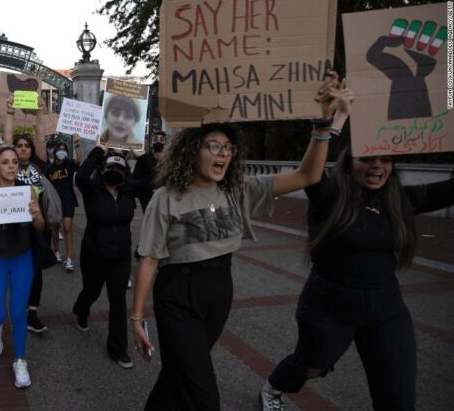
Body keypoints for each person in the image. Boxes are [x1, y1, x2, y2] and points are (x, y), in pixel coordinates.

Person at [131, 73, 352, 410]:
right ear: (193, 151)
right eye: (214, 146)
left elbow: (308, 175)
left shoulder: (240, 190)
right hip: (178, 295)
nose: (224, 153)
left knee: (180, 373)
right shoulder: (167, 197)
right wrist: (136, 318)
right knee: (203, 394)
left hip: (220, 290)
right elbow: (148, 259)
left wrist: (323, 126)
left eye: (228, 148)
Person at [260, 150, 454, 411]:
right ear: (349, 163)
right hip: (328, 306)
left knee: (399, 398)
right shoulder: (329, 196)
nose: (377, 166)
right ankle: (273, 388)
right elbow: (309, 173)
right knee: (312, 366)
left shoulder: (400, 200)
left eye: (385, 160)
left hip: (387, 310)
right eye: (367, 159)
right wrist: (326, 126)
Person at [0, 146, 45, 389]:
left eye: (14, 162)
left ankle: (20, 360)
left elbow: (41, 227)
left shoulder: (28, 191)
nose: (12, 166)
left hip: (22, 259)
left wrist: (36, 216)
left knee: (18, 313)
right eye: (5, 162)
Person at [72, 147, 148, 369]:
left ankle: (118, 349)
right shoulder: (91, 189)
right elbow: (81, 176)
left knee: (118, 300)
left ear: (126, 172)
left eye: (119, 168)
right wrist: (99, 150)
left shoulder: (128, 190)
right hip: (93, 253)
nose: (115, 171)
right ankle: (81, 310)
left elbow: (154, 179)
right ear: (102, 169)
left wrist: (142, 156)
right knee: (92, 290)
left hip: (120, 256)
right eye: (110, 167)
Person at [4, 95, 53, 334]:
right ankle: (17, 307)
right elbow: (6, 140)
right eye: (18, 146)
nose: (22, 149)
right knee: (17, 268)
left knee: (37, 269)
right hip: (14, 227)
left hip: (37, 224)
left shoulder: (38, 165)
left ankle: (32, 313)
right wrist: (10, 114)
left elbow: (41, 138)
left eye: (26, 146)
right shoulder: (9, 167)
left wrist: (40, 114)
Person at [44, 138, 82, 272]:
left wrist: (77, 145)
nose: (62, 152)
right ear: (55, 152)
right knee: (55, 228)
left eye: (64, 150)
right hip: (54, 202)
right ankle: (56, 252)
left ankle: (69, 258)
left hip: (68, 200)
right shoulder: (49, 168)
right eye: (59, 150)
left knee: (67, 228)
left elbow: (79, 161)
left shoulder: (69, 164)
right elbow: (45, 186)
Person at [133, 129, 168, 212]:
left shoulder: (170, 160)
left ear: (165, 143)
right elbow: (135, 181)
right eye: (156, 139)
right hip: (148, 199)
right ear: (152, 142)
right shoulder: (143, 159)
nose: (158, 141)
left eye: (161, 139)